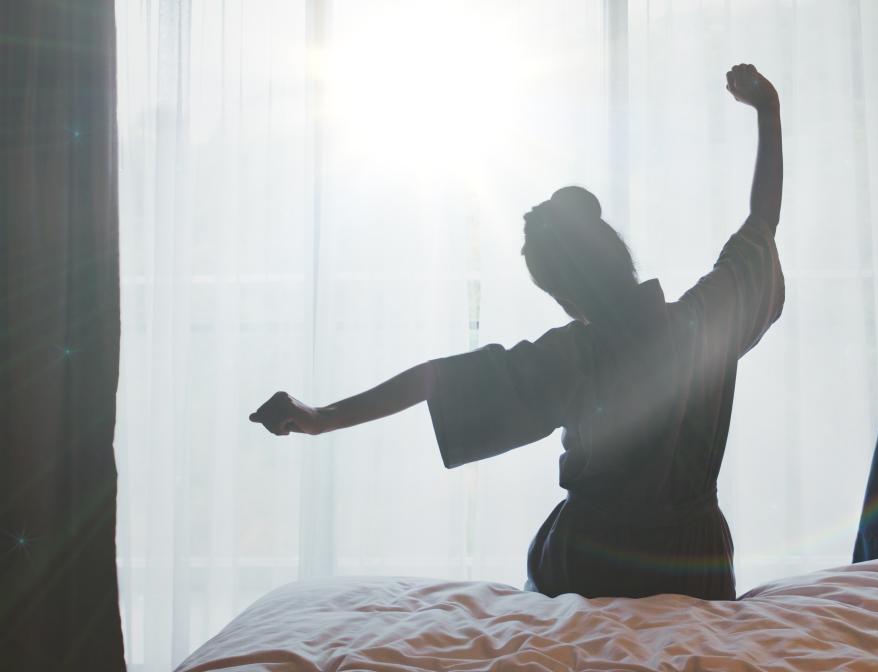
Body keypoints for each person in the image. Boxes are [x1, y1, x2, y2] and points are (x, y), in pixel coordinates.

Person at [250, 64, 784, 601]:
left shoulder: (572, 358)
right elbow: (761, 224)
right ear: (620, 259)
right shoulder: (706, 321)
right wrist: (768, 110)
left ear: (566, 297)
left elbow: (433, 379)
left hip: (594, 568)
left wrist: (323, 417)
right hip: (696, 568)